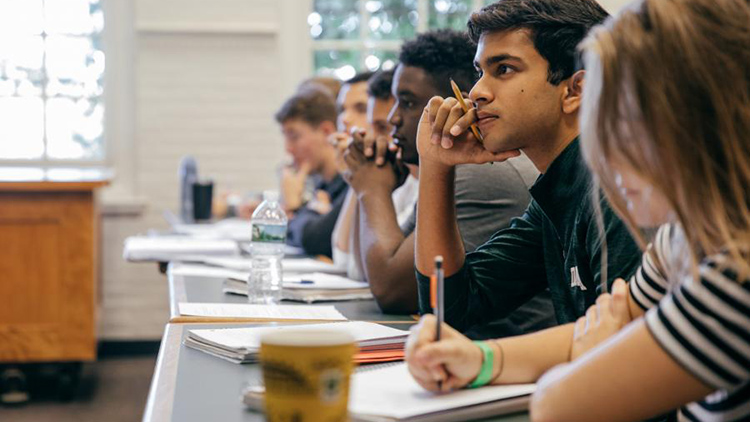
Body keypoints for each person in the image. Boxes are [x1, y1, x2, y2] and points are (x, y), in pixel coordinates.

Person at [405, 0, 645, 392]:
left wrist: (485, 362)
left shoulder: (619, 192)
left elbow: (627, 356)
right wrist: (436, 165)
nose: (477, 92)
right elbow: (451, 309)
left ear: (576, 90)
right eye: (479, 72)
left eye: (504, 69)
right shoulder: (559, 191)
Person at [527, 0, 750, 420]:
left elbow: (556, 407)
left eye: (626, 130)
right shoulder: (683, 236)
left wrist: (594, 352)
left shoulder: (736, 276)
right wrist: (481, 358)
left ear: (703, 120)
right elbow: (614, 320)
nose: (605, 160)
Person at [342, 30, 551, 332]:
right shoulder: (547, 201)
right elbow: (443, 305)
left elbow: (393, 290)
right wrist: (433, 164)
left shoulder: (484, 172)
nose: (392, 120)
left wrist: (370, 189)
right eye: (480, 72)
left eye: (409, 103)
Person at [331, 70, 419, 280]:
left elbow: (378, 276)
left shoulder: (411, 184)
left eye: (382, 127)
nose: (373, 137)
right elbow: (345, 260)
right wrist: (358, 179)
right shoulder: (396, 183)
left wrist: (366, 182)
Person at [275, 86, 347, 258]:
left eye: (294, 136)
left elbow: (314, 239)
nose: (288, 148)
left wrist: (295, 207)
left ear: (326, 132)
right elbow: (292, 235)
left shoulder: (350, 183)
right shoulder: (323, 185)